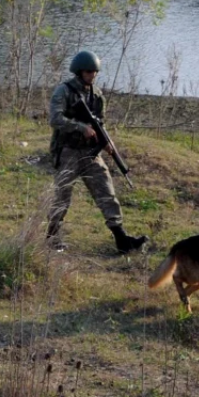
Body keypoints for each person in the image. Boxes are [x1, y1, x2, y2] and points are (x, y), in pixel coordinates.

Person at [47, 51, 148, 254]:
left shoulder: (97, 95)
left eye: (95, 71)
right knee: (62, 196)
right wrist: (79, 127)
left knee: (106, 191)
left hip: (90, 153)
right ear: (79, 71)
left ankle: (121, 238)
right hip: (68, 151)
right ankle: (52, 238)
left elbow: (99, 122)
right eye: (88, 71)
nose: (92, 75)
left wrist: (104, 142)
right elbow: (55, 119)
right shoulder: (64, 92)